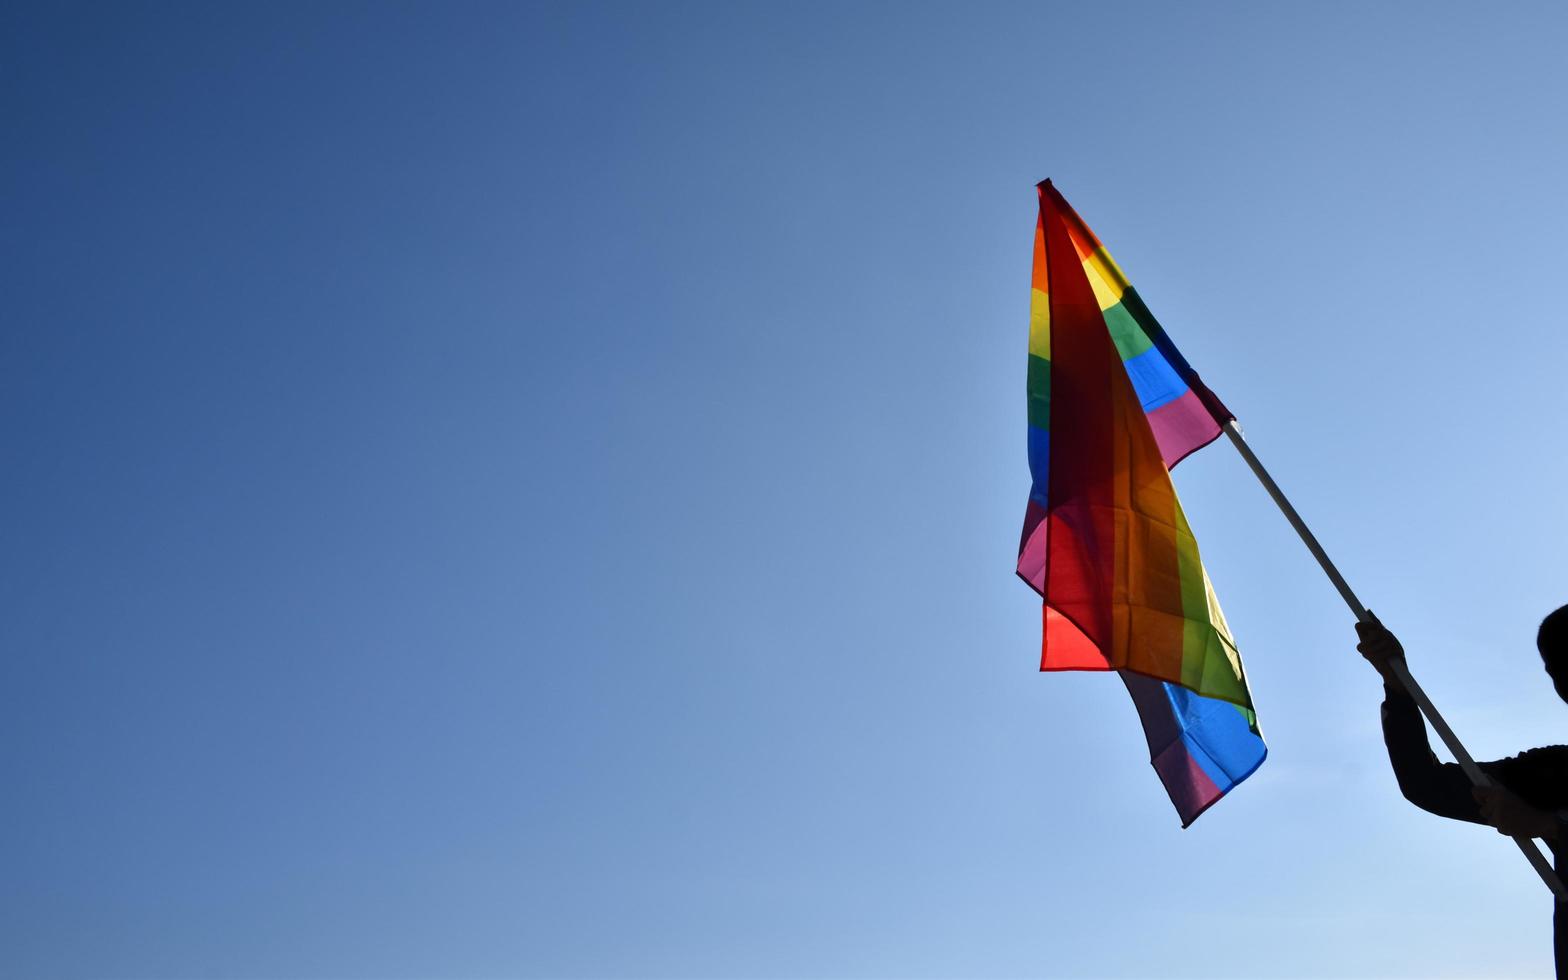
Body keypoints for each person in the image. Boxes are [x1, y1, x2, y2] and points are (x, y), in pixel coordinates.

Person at [1358, 606, 1568, 977]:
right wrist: (1398, 684)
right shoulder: (1556, 771)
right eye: (1560, 669)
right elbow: (1427, 784)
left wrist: (1551, 826)